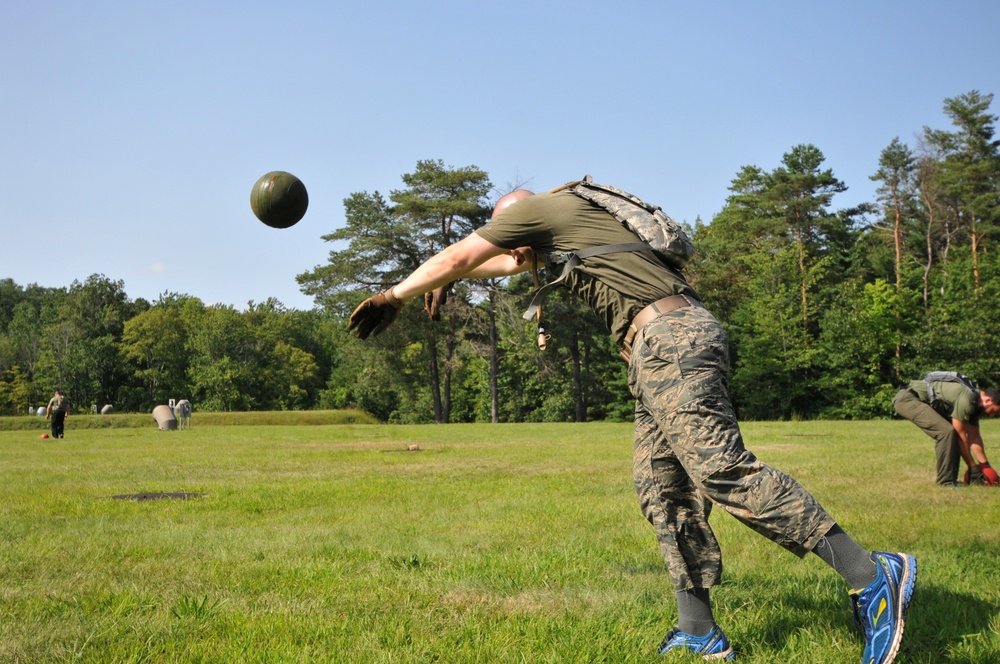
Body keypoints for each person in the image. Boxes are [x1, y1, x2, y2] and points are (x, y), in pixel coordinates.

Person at [348, 183, 916, 663]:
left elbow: (463, 254)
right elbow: (491, 262)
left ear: (517, 219)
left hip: (673, 341)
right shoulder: (568, 227)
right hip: (653, 350)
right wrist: (462, 273)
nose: (516, 257)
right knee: (661, 488)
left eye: (512, 242)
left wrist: (394, 295)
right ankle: (700, 633)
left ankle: (871, 576)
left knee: (720, 468)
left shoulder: (533, 208)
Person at [892, 373, 1000, 487]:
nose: (992, 415)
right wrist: (973, 467)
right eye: (994, 411)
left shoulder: (975, 405)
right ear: (988, 400)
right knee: (946, 432)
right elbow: (960, 435)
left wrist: (985, 466)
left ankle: (952, 480)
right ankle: (946, 482)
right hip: (908, 399)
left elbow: (975, 438)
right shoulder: (968, 399)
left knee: (951, 432)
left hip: (918, 400)